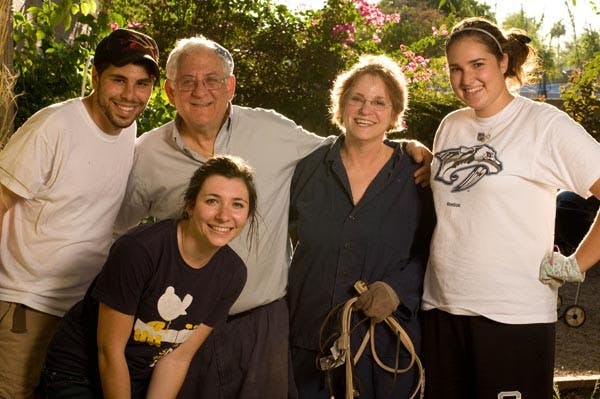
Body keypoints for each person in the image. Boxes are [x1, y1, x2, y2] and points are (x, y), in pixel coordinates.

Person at [114, 36, 432, 398]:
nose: (200, 91)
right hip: (180, 326)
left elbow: (351, 144)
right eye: (187, 81)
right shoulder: (148, 154)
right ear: (170, 92)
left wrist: (407, 147)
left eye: (212, 80)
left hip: (262, 326)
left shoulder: (272, 131)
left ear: (230, 85)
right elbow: (117, 233)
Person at [422, 17, 600, 399]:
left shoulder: (543, 125)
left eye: (477, 64)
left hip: (512, 316)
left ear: (503, 62)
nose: (466, 78)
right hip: (441, 307)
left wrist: (575, 263)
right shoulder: (451, 125)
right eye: (456, 68)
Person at [0, 28, 159, 398]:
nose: (130, 95)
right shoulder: (54, 126)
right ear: (95, 76)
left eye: (142, 84)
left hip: (81, 309)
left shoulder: (127, 128)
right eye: (119, 80)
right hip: (27, 304)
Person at [40, 155, 255, 399]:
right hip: (78, 373)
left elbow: (176, 358)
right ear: (190, 204)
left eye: (237, 204)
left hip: (139, 379)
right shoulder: (139, 250)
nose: (224, 216)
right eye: (212, 201)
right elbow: (110, 351)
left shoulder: (233, 274)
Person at [287, 54, 434, 399]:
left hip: (385, 340)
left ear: (395, 114)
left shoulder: (417, 177)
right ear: (341, 105)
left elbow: (435, 248)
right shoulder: (307, 169)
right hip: (310, 337)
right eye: (357, 99)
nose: (366, 110)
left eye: (379, 102)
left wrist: (399, 289)